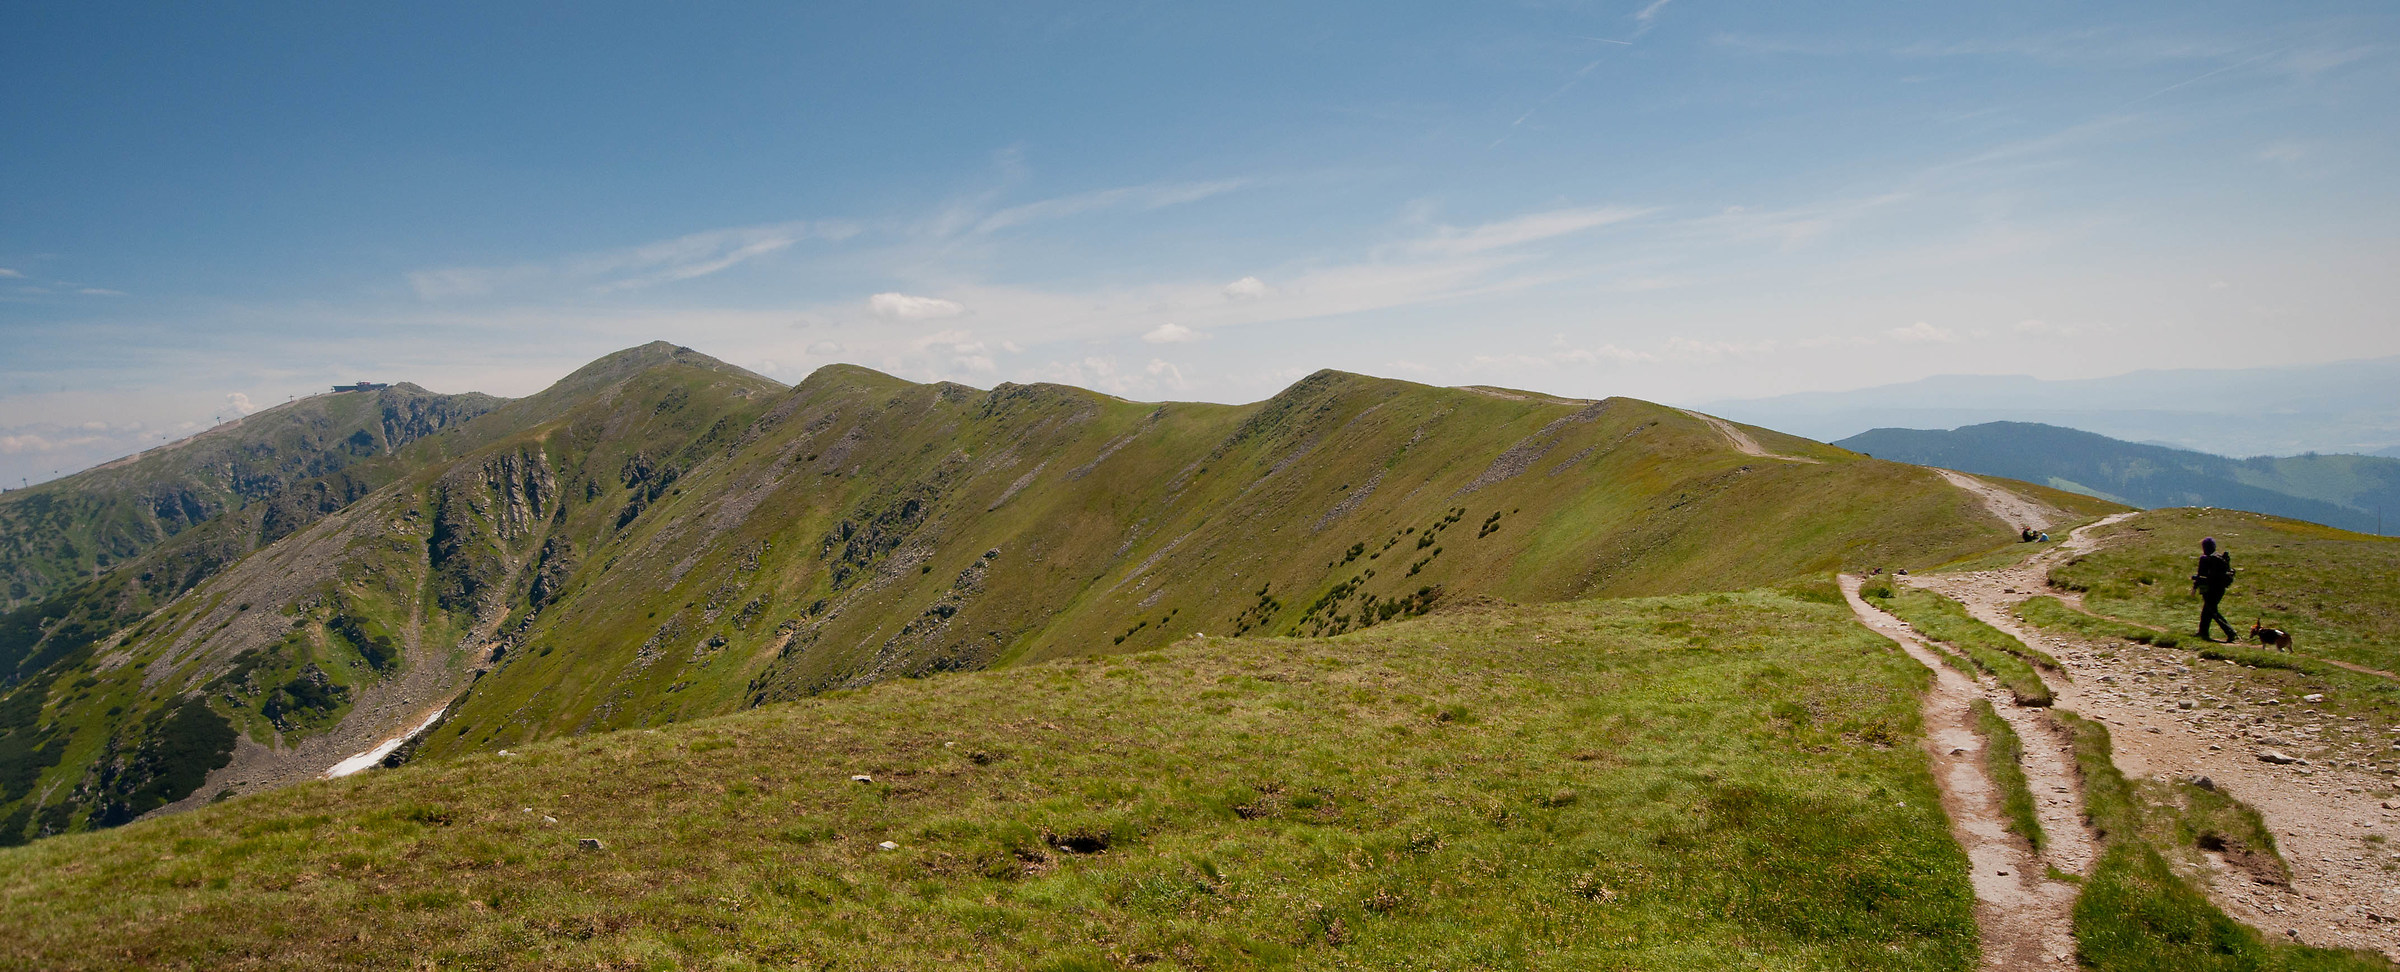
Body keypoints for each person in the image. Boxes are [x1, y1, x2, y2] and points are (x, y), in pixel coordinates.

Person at [2192, 537, 2237, 642]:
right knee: (2207, 611)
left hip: (2210, 589)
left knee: (2212, 611)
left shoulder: (2205, 558)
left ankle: (2230, 632)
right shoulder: (2220, 557)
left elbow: (2201, 575)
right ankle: (2203, 632)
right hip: (2220, 589)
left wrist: (2194, 587)